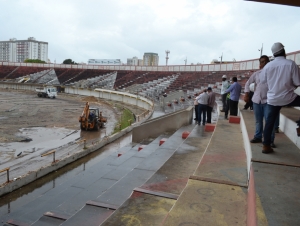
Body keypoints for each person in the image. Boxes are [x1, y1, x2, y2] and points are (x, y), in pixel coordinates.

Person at [259, 42, 300, 154]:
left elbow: (263, 81)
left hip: (273, 99)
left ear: (274, 54)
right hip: (288, 97)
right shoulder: (291, 64)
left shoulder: (268, 66)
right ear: (284, 51)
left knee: (269, 123)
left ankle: (266, 146)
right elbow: (297, 82)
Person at [244, 55, 277, 148]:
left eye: (265, 61)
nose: (264, 63)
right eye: (262, 62)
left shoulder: (273, 73)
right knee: (258, 121)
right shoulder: (257, 74)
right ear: (260, 64)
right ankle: (258, 136)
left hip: (269, 101)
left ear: (269, 62)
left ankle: (270, 140)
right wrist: (246, 94)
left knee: (269, 121)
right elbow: (247, 83)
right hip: (256, 100)